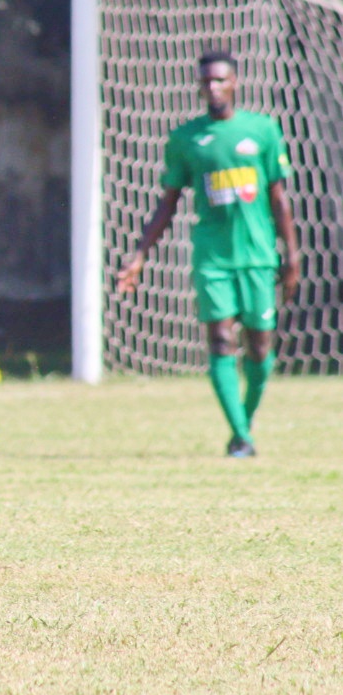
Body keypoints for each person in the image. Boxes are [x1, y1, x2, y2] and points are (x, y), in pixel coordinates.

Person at [117, 50, 300, 457]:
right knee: (219, 340)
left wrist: (292, 255)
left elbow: (278, 198)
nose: (213, 88)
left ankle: (242, 427)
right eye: (206, 82)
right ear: (199, 87)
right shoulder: (186, 139)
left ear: (235, 82)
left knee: (259, 346)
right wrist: (140, 254)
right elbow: (167, 203)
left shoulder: (263, 131)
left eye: (220, 80)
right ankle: (243, 438)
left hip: (257, 256)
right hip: (212, 258)